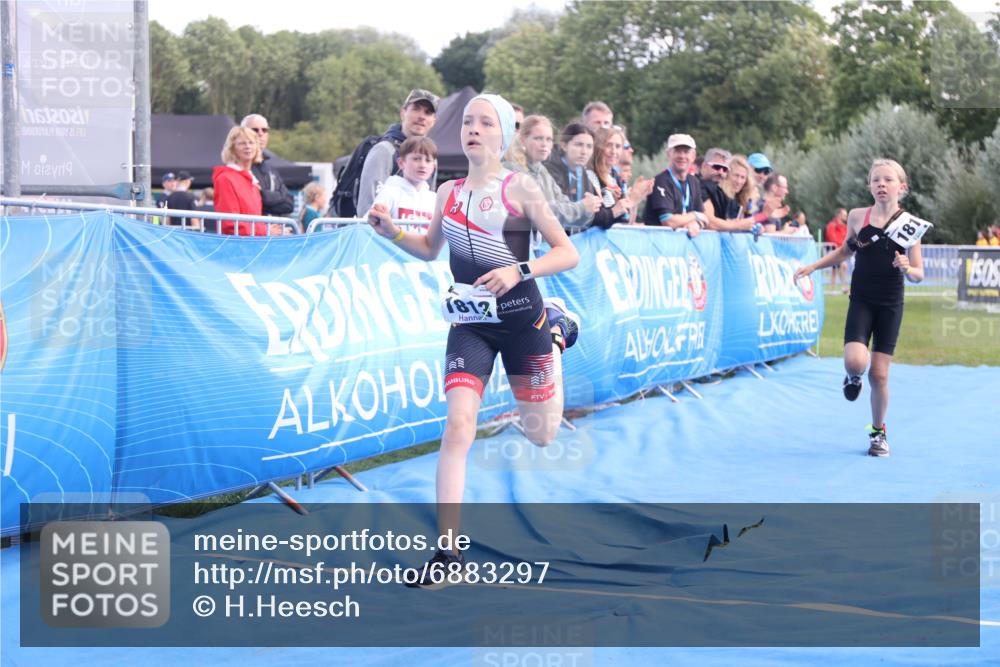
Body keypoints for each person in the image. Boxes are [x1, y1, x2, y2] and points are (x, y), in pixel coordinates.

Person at [367, 94, 581, 588]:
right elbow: (427, 251)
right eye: (468, 121)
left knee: (542, 434)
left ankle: (556, 334)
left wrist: (519, 269)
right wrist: (391, 232)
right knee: (459, 425)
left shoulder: (519, 187)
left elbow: (567, 253)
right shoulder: (447, 192)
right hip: (471, 324)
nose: (474, 129)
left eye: (486, 122)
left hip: (524, 319)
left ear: (503, 135)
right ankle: (447, 553)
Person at [794, 159, 925, 457]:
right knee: (855, 362)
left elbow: (919, 273)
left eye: (888, 180)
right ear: (869, 186)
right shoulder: (857, 217)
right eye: (876, 179)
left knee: (879, 375)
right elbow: (844, 251)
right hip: (862, 299)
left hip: (891, 303)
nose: (881, 184)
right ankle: (852, 377)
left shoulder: (911, 225)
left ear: (900, 188)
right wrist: (813, 266)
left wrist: (907, 267)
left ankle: (878, 433)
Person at [504, 115, 600, 230]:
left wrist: (589, 209)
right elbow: (541, 213)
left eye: (549, 139)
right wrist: (582, 208)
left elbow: (565, 205)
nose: (544, 144)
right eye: (538, 138)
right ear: (523, 140)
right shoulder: (513, 169)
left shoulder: (541, 170)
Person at [356, 89, 439, 216]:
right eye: (416, 109)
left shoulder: (431, 158)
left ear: (433, 121)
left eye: (428, 112)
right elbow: (367, 210)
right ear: (403, 113)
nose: (421, 117)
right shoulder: (384, 151)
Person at [642, 133, 708, 236]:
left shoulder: (694, 182)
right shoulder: (661, 181)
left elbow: (704, 218)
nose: (682, 156)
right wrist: (695, 216)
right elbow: (668, 221)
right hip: (658, 245)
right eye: (677, 151)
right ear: (669, 154)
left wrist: (696, 223)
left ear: (693, 156)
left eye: (686, 152)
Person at [212, 126, 273, 236]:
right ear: (232, 148)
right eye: (242, 143)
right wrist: (266, 231)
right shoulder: (225, 179)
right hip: (238, 247)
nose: (248, 147)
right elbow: (229, 224)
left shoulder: (252, 180)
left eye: (251, 142)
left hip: (253, 244)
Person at [591, 126, 652, 229]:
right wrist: (617, 209)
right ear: (598, 146)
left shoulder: (615, 177)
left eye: (618, 146)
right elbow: (592, 219)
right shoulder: (590, 175)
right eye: (608, 145)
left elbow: (626, 221)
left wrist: (635, 199)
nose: (613, 151)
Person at [370, 136, 439, 224]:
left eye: (428, 160)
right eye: (416, 159)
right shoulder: (389, 193)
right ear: (401, 163)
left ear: (433, 166)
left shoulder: (434, 200)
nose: (423, 165)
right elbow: (370, 228)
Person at [241, 114, 295, 217]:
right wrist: (276, 197)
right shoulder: (240, 168)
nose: (260, 133)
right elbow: (250, 202)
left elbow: (289, 204)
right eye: (255, 130)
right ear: (242, 134)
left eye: (264, 130)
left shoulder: (271, 170)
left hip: (274, 230)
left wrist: (265, 196)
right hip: (254, 230)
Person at [825, 208, 850, 292]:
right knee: (835, 269)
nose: (846, 217)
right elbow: (832, 238)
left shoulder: (845, 227)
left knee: (841, 267)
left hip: (841, 251)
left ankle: (842, 287)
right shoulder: (831, 225)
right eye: (845, 215)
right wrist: (843, 244)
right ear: (839, 215)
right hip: (833, 250)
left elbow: (847, 238)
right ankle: (835, 288)